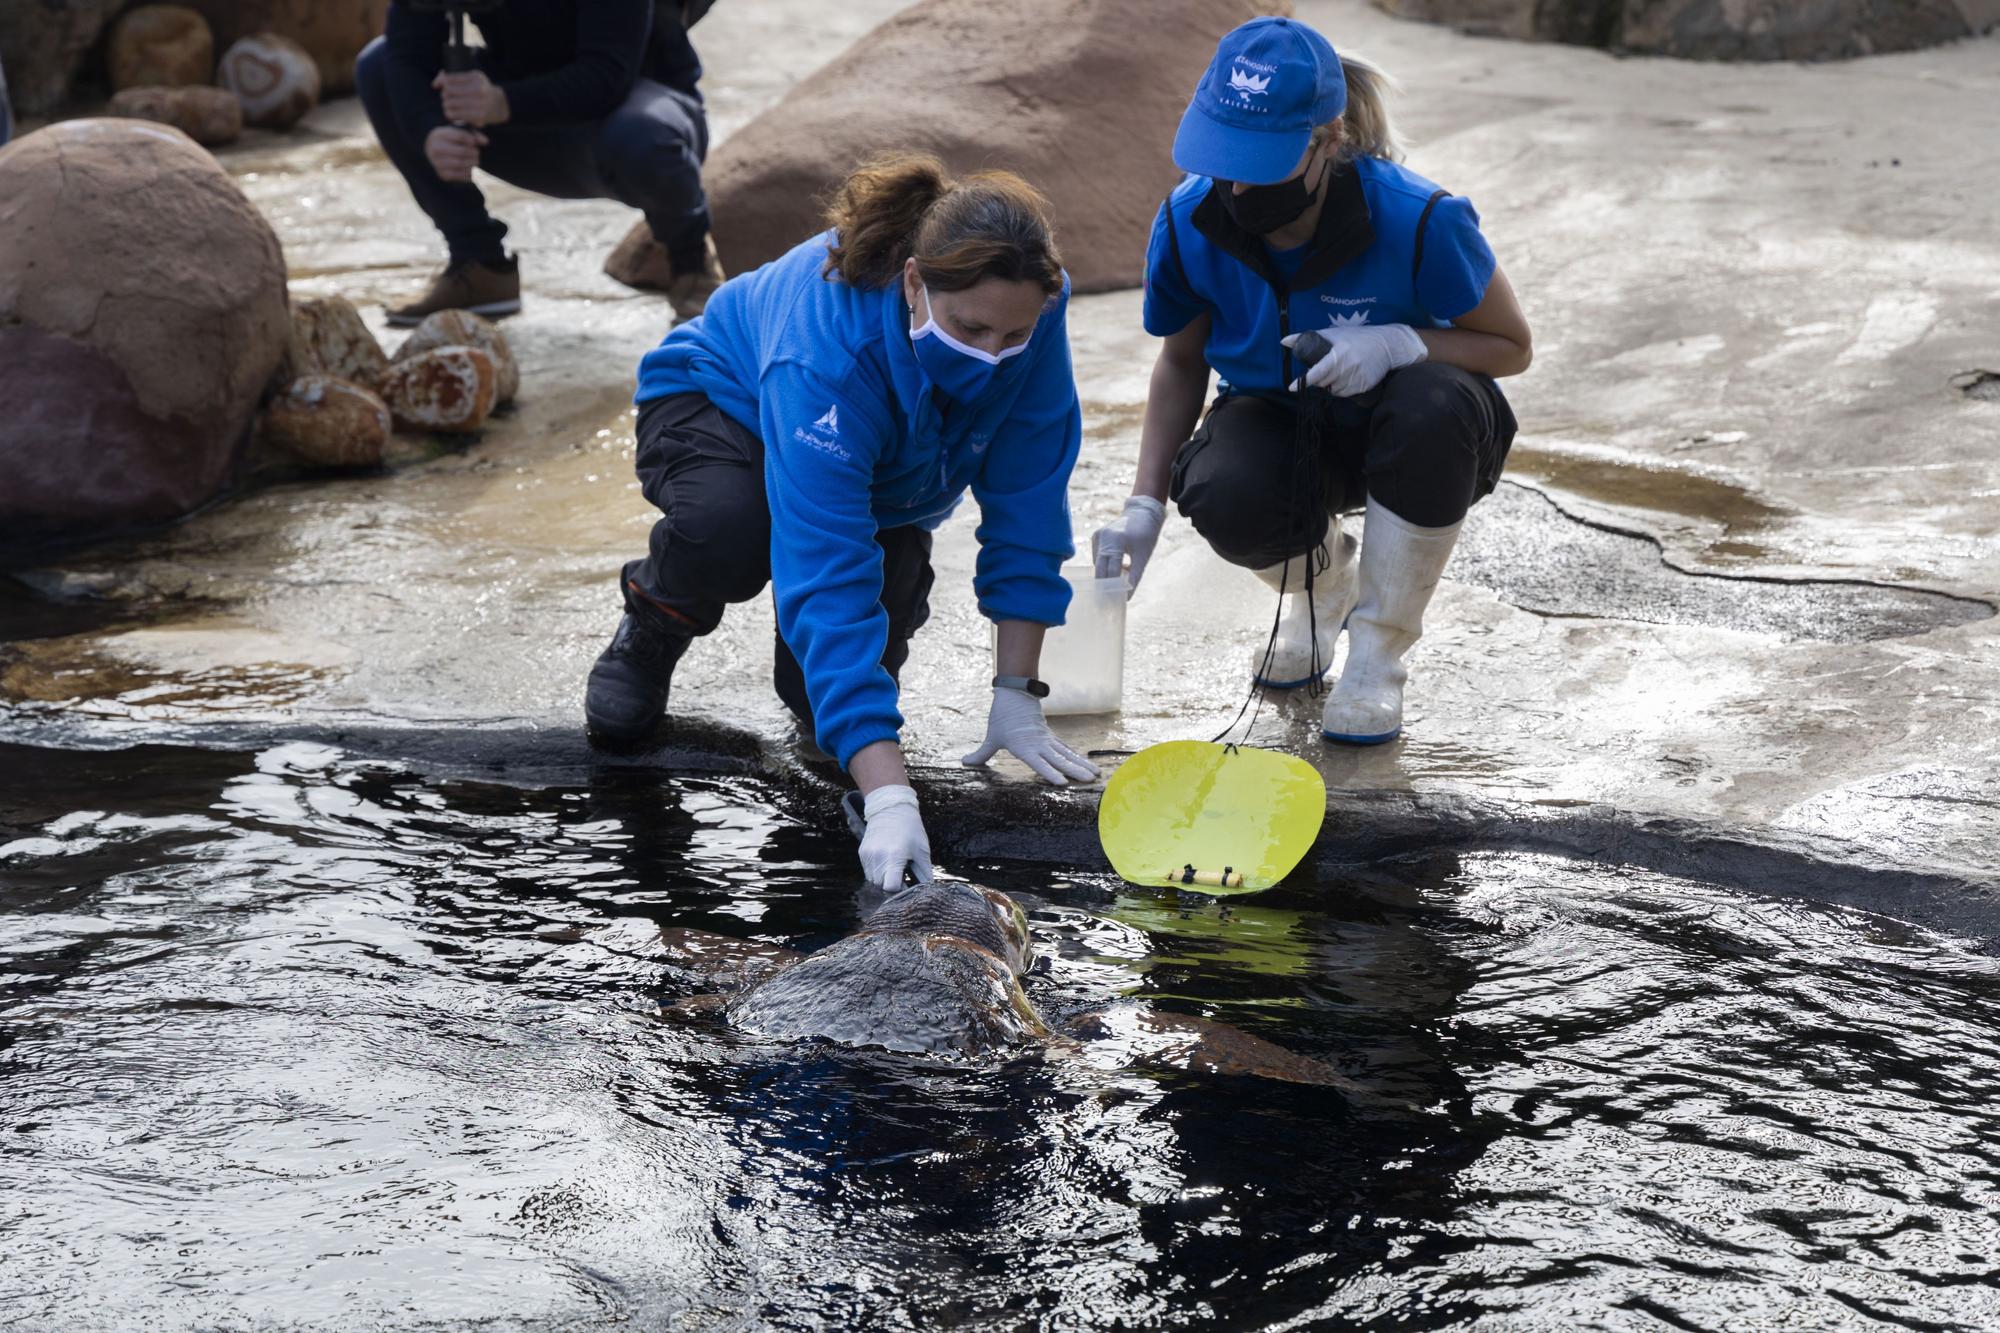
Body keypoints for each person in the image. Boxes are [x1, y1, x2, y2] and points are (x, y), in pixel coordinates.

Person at [585, 153, 1100, 891]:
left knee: (823, 711)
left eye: (1010, 338)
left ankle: (826, 712)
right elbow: (825, 571)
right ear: (915, 283)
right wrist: (891, 795)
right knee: (733, 529)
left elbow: (1030, 500)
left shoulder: (1028, 310)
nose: (993, 359)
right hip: (720, 407)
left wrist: (1019, 691)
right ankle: (656, 619)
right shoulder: (826, 351)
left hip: (891, 466)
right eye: (971, 328)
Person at [1092, 17, 1532, 745]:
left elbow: (1511, 346)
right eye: (1221, 154)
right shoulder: (1190, 219)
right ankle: (1325, 589)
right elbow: (1181, 361)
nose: (1233, 183)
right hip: (1279, 419)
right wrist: (1146, 503)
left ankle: (1379, 655)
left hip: (1416, 434)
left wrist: (1399, 342)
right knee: (1220, 485)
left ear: (1327, 141)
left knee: (1433, 403)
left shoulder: (1419, 218)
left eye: (1258, 162)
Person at [355, 0, 724, 326]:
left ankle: (691, 262)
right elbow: (407, 51)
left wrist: (502, 103)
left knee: (647, 140)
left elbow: (608, 74)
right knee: (379, 67)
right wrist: (430, 131)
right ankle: (479, 264)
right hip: (525, 115)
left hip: (632, 111)